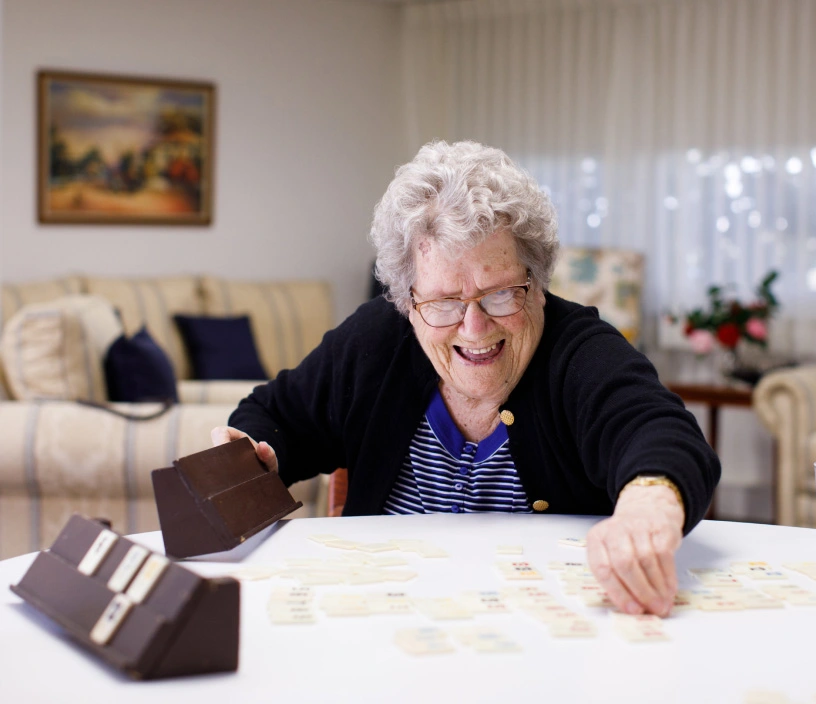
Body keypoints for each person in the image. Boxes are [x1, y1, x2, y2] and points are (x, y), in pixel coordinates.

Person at [212, 141, 720, 616]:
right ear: (407, 302)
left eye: (501, 294)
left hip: (547, 633)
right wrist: (256, 453)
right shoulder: (378, 341)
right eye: (442, 303)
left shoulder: (578, 351)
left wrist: (645, 508)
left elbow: (662, 433)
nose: (474, 328)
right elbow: (273, 415)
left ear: (537, 283)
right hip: (384, 622)